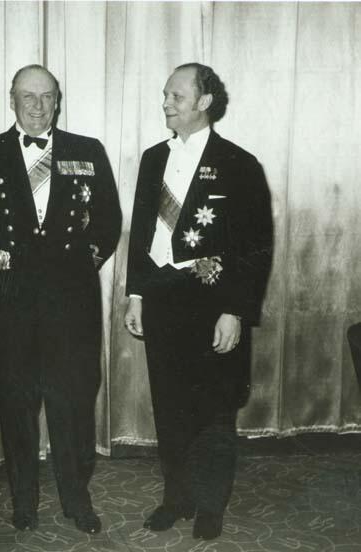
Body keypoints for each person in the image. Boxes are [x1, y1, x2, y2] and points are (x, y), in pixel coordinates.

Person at [0, 64, 121, 535]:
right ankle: (23, 501)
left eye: (47, 96)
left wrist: (82, 263)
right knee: (16, 403)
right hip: (10, 300)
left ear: (58, 101)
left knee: (73, 403)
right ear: (12, 100)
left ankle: (77, 499)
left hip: (71, 300)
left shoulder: (87, 150)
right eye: (28, 96)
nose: (37, 105)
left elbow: (108, 219)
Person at [124, 63, 273, 540]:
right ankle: (176, 497)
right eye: (165, 95)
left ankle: (210, 505)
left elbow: (255, 246)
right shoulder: (153, 159)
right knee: (169, 407)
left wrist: (235, 310)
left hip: (212, 303)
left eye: (176, 96)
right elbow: (141, 233)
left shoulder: (239, 163)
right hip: (162, 298)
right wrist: (135, 294)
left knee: (213, 409)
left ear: (204, 102)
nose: (166, 103)